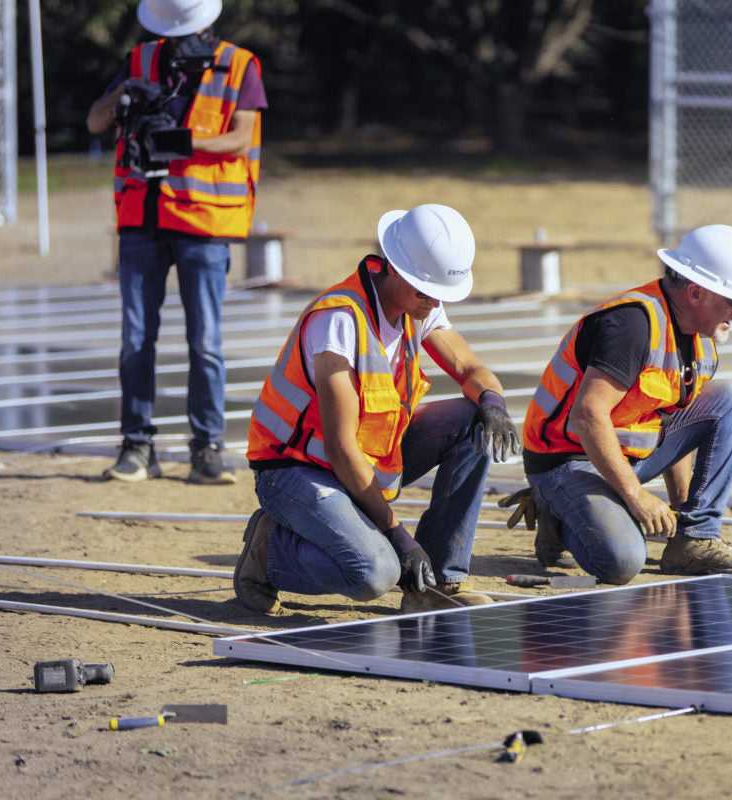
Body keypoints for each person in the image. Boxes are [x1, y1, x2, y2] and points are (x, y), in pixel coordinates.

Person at [234, 204, 521, 615]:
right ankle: (269, 551)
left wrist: (493, 403)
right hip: (294, 470)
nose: (433, 301)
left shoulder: (419, 304)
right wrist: (399, 537)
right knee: (374, 572)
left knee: (470, 418)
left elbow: (469, 368)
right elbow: (339, 447)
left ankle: (438, 582)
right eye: (425, 290)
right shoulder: (339, 321)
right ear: (395, 270)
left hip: (361, 459)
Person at [517, 224, 732, 584]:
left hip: (620, 456)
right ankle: (556, 514)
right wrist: (635, 496)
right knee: (621, 561)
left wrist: (683, 523)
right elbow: (588, 415)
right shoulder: (631, 325)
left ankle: (698, 539)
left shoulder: (701, 338)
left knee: (730, 400)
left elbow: (671, 417)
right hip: (566, 461)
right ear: (695, 293)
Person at [86, 0, 266, 484]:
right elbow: (94, 123)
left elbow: (241, 137)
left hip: (204, 222)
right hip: (141, 218)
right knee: (135, 340)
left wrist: (179, 141)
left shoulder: (240, 64)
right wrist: (125, 93)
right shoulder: (140, 60)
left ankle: (206, 450)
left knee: (205, 342)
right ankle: (136, 446)